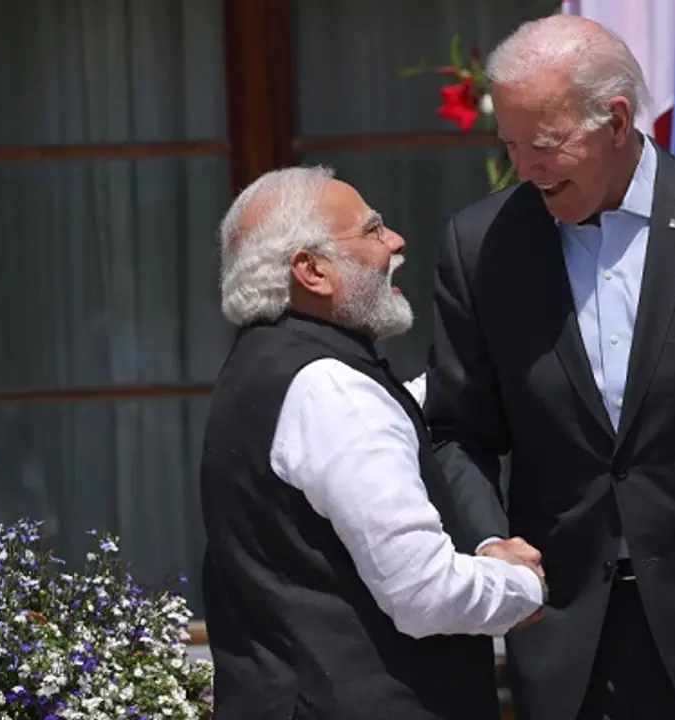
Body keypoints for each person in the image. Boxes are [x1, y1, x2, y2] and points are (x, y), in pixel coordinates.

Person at [424, 15, 675, 720]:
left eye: (545, 144)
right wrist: (490, 541)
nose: (524, 168)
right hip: (558, 629)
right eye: (510, 146)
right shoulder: (481, 244)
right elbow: (454, 430)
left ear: (616, 120)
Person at [200, 166, 547, 720]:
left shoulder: (267, 367)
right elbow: (424, 592)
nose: (395, 242)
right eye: (372, 230)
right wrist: (520, 583)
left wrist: (490, 367)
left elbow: (382, 417)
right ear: (311, 270)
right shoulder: (332, 389)